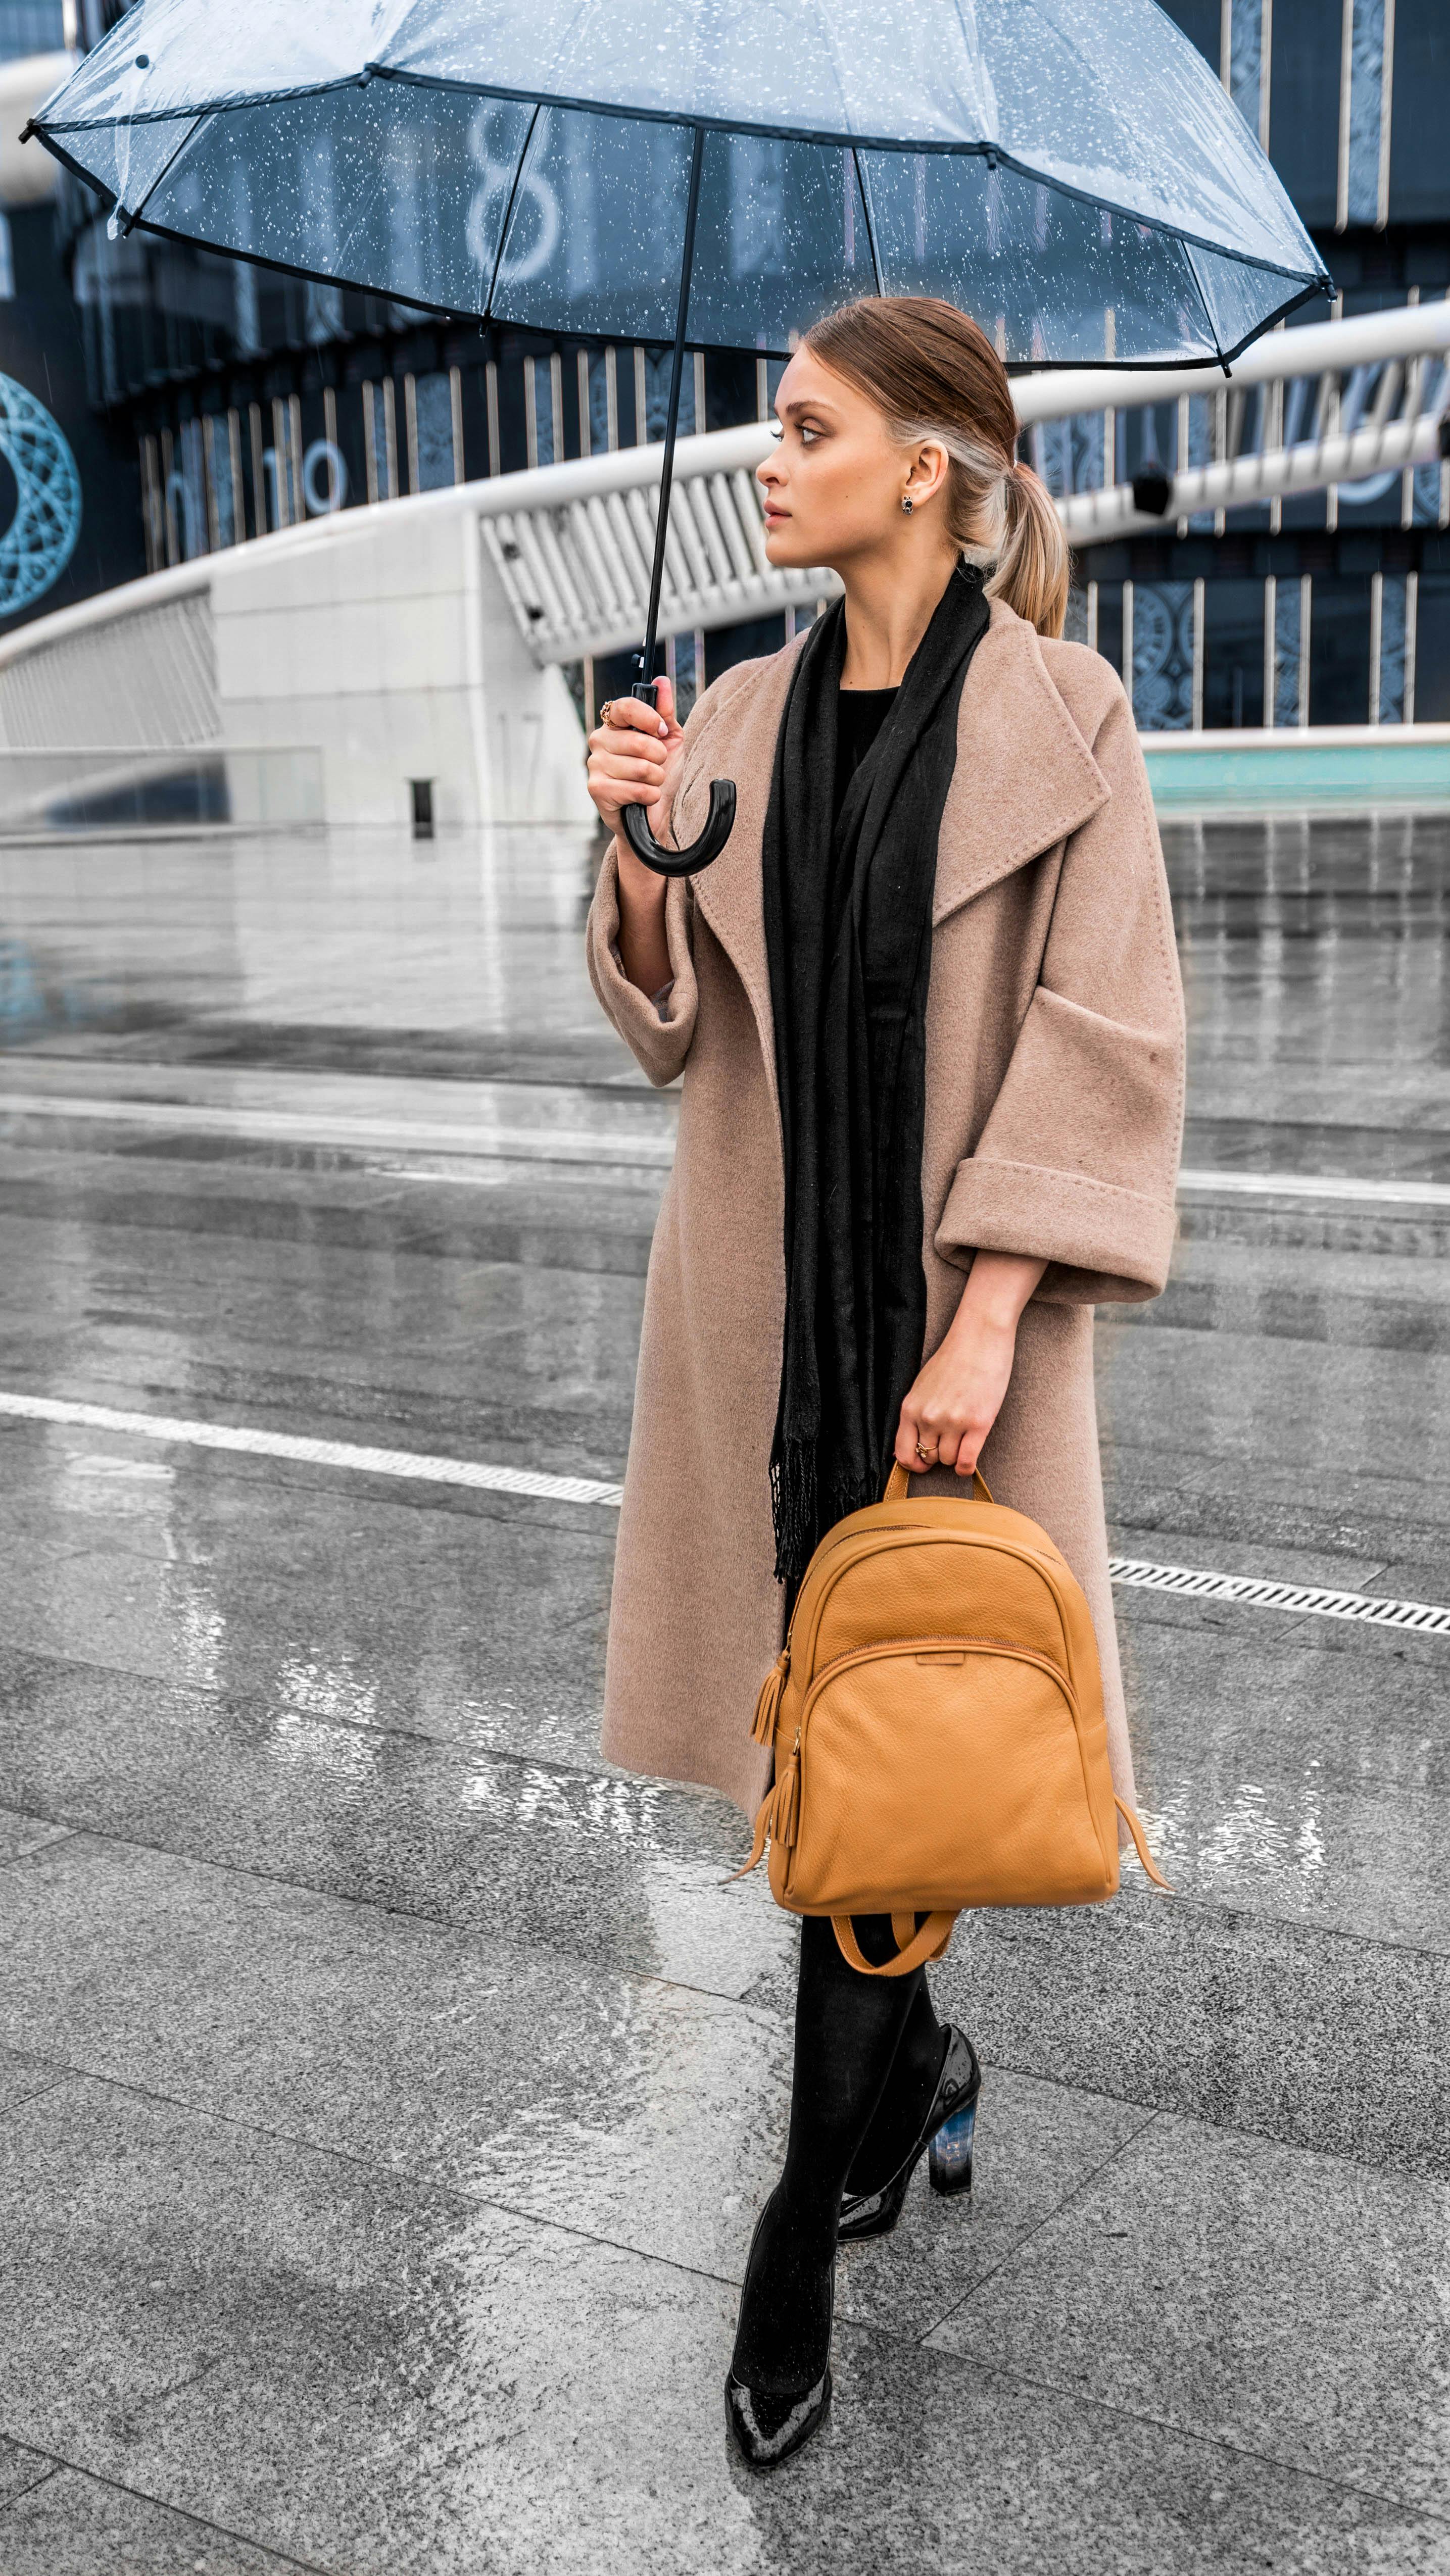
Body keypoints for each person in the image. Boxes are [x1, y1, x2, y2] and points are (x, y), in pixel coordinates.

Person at [583, 296, 1184, 2470]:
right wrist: (637, 862)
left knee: (901, 1700)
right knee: (843, 1740)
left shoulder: (1065, 714)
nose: (772, 460)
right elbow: (662, 1027)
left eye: (811, 428)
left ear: (928, 464)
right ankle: (913, 2064)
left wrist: (989, 1311)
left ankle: (790, 2229)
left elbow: (1106, 1036)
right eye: (769, 426)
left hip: (947, 1348)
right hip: (763, 1336)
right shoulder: (728, 712)